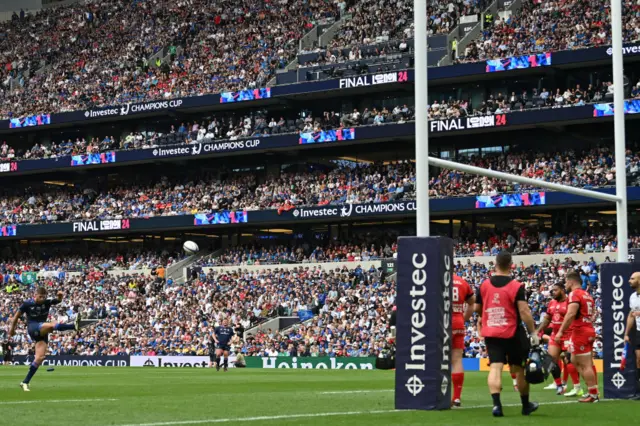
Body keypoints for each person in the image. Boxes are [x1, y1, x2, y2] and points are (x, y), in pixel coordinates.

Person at [475, 251, 539, 417]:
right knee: (518, 369)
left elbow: (476, 308)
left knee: (495, 367)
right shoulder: (516, 286)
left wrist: (485, 316)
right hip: (513, 332)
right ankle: (525, 405)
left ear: (495, 264)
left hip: (491, 332)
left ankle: (497, 406)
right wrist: (533, 332)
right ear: (511, 265)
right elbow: (524, 311)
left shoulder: (484, 285)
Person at [8, 287, 81, 391]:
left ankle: (25, 382)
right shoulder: (27, 304)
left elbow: (58, 300)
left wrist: (60, 296)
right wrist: (12, 329)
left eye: (44, 297)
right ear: (35, 295)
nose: (42, 298)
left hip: (43, 331)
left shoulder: (47, 302)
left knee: (40, 358)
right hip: (33, 327)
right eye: (40, 296)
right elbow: (16, 316)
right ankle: (73, 326)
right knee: (52, 325)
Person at [554, 271, 599, 403]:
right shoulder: (587, 294)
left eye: (566, 282)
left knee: (585, 365)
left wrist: (561, 331)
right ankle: (592, 389)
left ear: (571, 281)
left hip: (580, 331)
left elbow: (571, 313)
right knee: (573, 359)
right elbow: (593, 313)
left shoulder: (575, 294)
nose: (565, 285)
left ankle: (593, 394)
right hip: (587, 329)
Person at [536, 282, 583, 396]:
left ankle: (577, 387)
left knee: (568, 360)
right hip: (555, 335)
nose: (553, 292)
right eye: (552, 290)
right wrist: (538, 330)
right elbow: (547, 319)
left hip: (568, 334)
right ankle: (559, 386)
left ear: (562, 290)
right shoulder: (552, 302)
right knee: (551, 360)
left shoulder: (569, 302)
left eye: (555, 290)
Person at [451, 274, 475, 407]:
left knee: (436, 359)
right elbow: (472, 303)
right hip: (458, 322)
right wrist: (464, 318)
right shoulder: (462, 282)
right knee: (457, 360)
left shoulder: (437, 279)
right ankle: (456, 397)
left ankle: (438, 393)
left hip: (442, 322)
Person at [624, 271, 640, 399]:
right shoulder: (633, 297)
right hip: (639, 332)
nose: (629, 280)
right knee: (638, 359)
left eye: (632, 278)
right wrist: (626, 334)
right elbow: (631, 315)